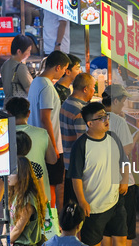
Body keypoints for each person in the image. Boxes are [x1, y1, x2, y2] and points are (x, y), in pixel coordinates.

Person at [67, 102, 128, 246]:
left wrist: (125, 180)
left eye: (105, 116)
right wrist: (82, 201)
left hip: (116, 200)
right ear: (90, 123)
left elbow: (124, 162)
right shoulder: (81, 146)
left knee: (120, 238)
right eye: (100, 118)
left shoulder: (113, 138)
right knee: (93, 245)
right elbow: (76, 177)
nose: (106, 120)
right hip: (92, 206)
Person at [101, 84, 139, 246]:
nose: (124, 105)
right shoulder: (119, 122)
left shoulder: (96, 117)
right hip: (122, 182)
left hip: (102, 181)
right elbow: (125, 150)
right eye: (123, 101)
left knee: (106, 229)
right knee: (125, 231)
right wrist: (135, 138)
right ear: (116, 100)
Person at [28, 51, 70, 211]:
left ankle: (47, 219)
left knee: (45, 186)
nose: (64, 73)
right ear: (58, 67)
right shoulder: (46, 86)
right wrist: (52, 147)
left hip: (39, 144)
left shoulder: (36, 82)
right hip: (49, 147)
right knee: (51, 186)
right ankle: (50, 222)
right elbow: (45, 118)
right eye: (64, 69)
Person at [0, 156, 45, 246]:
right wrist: (4, 241)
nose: (7, 176)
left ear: (22, 175)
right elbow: (6, 221)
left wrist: (5, 244)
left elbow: (18, 229)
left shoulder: (29, 198)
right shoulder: (13, 193)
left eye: (12, 173)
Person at [5, 97, 57, 202]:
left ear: (8, 113)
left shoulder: (3, 136)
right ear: (28, 113)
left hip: (16, 198)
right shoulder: (42, 133)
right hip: (40, 195)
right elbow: (53, 160)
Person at [61, 73, 96, 204]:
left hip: (68, 162)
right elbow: (83, 142)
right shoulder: (80, 111)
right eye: (93, 87)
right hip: (78, 167)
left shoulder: (67, 102)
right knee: (78, 205)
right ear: (85, 89)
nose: (94, 91)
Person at [1, 35, 33, 102]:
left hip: (8, 104)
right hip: (19, 107)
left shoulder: (5, 64)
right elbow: (30, 90)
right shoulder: (20, 67)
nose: (29, 54)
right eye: (28, 51)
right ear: (19, 51)